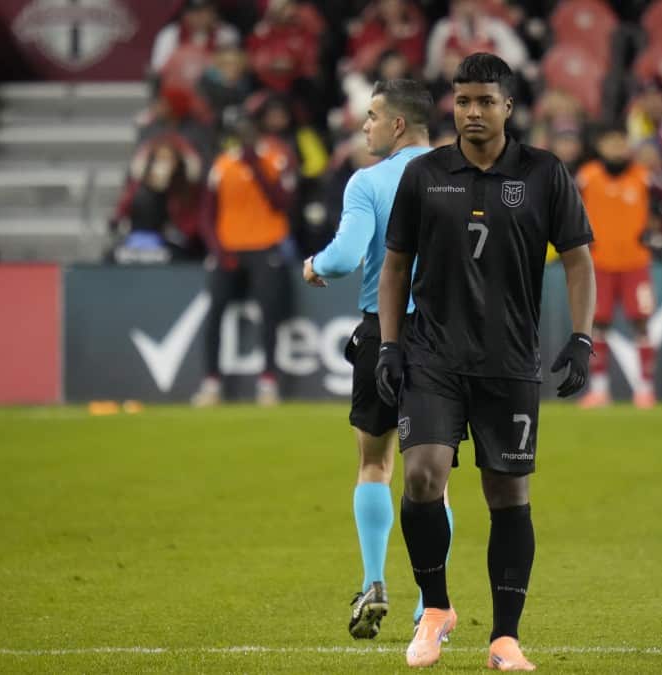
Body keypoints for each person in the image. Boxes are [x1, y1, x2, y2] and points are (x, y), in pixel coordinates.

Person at [376, 53, 595, 670]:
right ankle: (437, 608)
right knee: (421, 475)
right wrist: (391, 346)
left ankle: (504, 637)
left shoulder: (545, 173)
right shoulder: (425, 174)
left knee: (508, 495)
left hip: (509, 361)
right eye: (463, 100)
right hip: (433, 355)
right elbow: (395, 266)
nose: (472, 111)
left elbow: (578, 258)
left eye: (485, 101)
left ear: (508, 107)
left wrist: (581, 338)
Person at [302, 78, 455, 640]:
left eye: (371, 116)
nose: (363, 126)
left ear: (397, 124)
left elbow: (344, 257)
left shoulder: (368, 181)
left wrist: (313, 264)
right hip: (446, 338)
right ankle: (429, 604)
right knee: (435, 478)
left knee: (375, 465)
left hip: (383, 331)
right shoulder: (459, 175)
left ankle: (373, 581)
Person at [191, 112, 297, 407]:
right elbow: (207, 215)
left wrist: (256, 167)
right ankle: (211, 382)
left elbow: (283, 202)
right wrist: (217, 248)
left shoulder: (275, 159)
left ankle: (268, 382)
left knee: (269, 315)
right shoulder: (222, 165)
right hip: (229, 248)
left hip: (266, 246)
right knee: (215, 315)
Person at [576, 124, 659, 409]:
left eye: (620, 143)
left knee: (641, 322)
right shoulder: (587, 177)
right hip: (599, 264)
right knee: (598, 324)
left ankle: (645, 390)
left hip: (636, 263)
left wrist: (659, 231)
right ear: (601, 147)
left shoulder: (644, 178)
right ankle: (600, 391)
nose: (616, 149)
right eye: (610, 143)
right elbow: (566, 210)